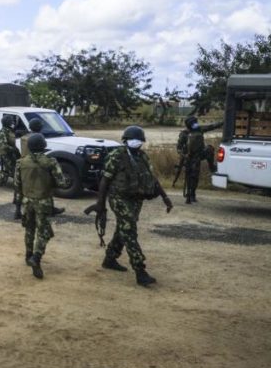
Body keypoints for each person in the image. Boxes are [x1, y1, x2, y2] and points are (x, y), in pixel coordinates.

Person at [91, 125, 173, 287]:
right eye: (133, 140)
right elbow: (105, 180)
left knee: (124, 228)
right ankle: (140, 271)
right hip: (119, 198)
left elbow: (152, 179)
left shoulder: (142, 156)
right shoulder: (116, 156)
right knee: (129, 231)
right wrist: (100, 204)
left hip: (136, 199)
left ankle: (110, 258)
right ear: (125, 140)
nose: (136, 142)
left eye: (139, 140)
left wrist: (165, 197)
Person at [13, 133, 68, 279]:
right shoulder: (50, 162)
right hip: (43, 201)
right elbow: (62, 183)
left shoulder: (21, 162)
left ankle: (28, 255)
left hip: (27, 201)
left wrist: (18, 205)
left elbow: (17, 185)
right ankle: (36, 258)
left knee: (29, 229)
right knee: (43, 232)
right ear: (43, 146)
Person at [19, 118, 64, 217]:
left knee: (23, 188)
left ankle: (19, 210)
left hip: (26, 163)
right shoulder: (38, 137)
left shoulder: (24, 137)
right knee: (45, 186)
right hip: (38, 163)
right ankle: (49, 209)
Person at [182, 116, 223, 204]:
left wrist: (223, 122)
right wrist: (185, 155)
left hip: (199, 155)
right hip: (190, 158)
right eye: (194, 123)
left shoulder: (199, 130)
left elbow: (212, 126)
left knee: (210, 149)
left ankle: (212, 167)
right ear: (190, 125)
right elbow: (179, 148)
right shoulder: (184, 134)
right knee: (192, 176)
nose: (196, 124)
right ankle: (191, 195)